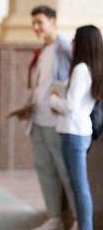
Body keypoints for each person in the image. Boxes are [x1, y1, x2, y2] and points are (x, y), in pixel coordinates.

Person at [20, 5, 77, 230]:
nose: (35, 27)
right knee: (44, 168)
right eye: (33, 23)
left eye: (40, 22)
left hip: (57, 122)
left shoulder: (64, 48)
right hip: (38, 119)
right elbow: (40, 86)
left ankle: (78, 218)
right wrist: (28, 105)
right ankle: (55, 217)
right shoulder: (44, 49)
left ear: (53, 21)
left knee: (65, 170)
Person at [50, 25, 103, 230]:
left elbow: (70, 106)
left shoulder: (81, 68)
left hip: (73, 131)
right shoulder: (95, 67)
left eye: (74, 39)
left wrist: (53, 100)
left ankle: (85, 227)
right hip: (82, 130)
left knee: (79, 185)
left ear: (81, 43)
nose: (71, 43)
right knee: (78, 185)